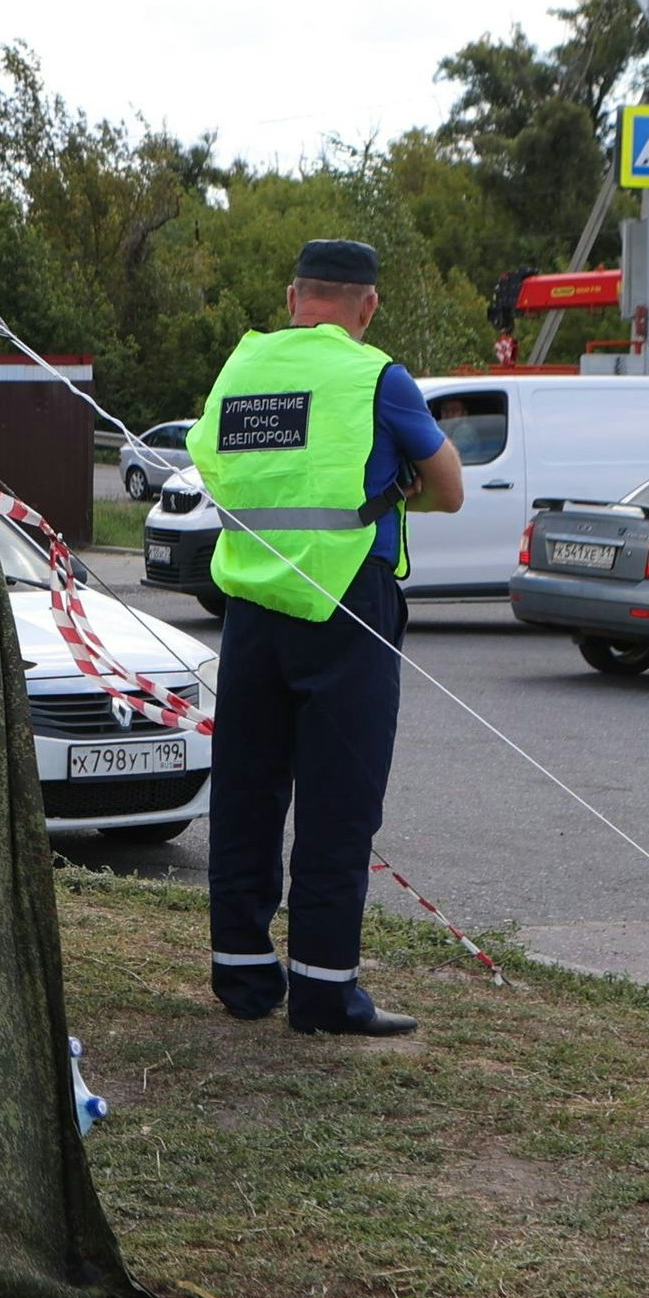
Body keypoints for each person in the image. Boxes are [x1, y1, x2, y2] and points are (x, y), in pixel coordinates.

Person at [193, 239, 464, 1036]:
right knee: (337, 804)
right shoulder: (377, 376)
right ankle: (323, 993)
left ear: (292, 298)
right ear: (367, 306)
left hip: (251, 604)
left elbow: (214, 467)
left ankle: (242, 975)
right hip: (347, 602)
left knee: (245, 793)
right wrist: (397, 490)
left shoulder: (241, 368)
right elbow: (449, 488)